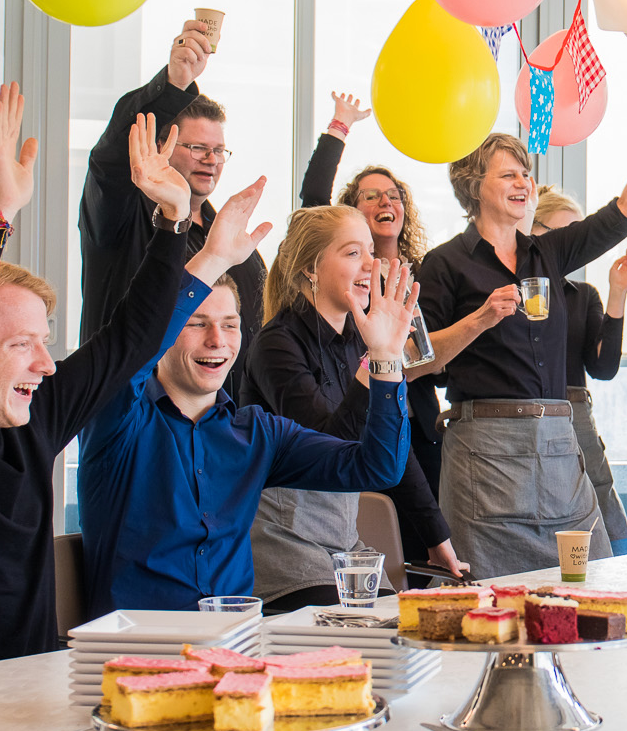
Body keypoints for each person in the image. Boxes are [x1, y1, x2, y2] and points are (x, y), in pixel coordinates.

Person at [0, 93, 264, 680]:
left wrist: (173, 225)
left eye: (45, 340)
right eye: (21, 345)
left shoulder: (32, 424)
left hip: (33, 717)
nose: (47, 364)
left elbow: (130, 340)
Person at [77, 195, 414, 617]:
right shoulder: (118, 419)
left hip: (239, 650)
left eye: (230, 325)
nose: (217, 340)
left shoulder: (256, 434)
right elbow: (133, 348)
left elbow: (377, 467)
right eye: (197, 323)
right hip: (139, 656)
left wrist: (384, 359)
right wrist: (212, 258)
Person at [416, 58, 627, 578]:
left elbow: (625, 211)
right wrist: (481, 319)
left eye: (525, 174)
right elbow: (415, 363)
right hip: (484, 454)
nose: (523, 182)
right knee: (489, 602)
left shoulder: (550, 253)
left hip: (560, 447)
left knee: (591, 588)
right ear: (474, 186)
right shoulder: (444, 263)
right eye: (508, 174)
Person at [244, 205, 487, 608]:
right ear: (310, 268)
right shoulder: (277, 344)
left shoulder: (359, 340)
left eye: (371, 252)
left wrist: (436, 537)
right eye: (353, 252)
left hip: (341, 536)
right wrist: (376, 360)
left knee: (397, 626)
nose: (371, 265)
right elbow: (331, 448)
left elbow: (393, 449)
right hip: (281, 537)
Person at [79, 17, 267, 399]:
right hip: (131, 418)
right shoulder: (121, 214)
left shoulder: (226, 234)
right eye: (198, 148)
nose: (211, 160)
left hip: (217, 426)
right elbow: (110, 161)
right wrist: (175, 84)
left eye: (219, 151)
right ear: (159, 146)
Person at [298, 89, 448, 487]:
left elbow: (432, 362)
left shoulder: (424, 272)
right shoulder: (347, 277)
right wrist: (339, 126)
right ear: (351, 209)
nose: (386, 201)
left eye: (394, 195)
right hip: (361, 421)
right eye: (372, 195)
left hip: (420, 424)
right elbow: (312, 201)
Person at [532, 185, 627, 556]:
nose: (573, 245)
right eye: (563, 234)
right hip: (525, 415)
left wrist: (618, 293)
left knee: (599, 489)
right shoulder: (516, 291)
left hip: (574, 412)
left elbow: (604, 367)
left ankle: (620, 564)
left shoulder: (583, 294)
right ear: (533, 232)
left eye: (577, 234)